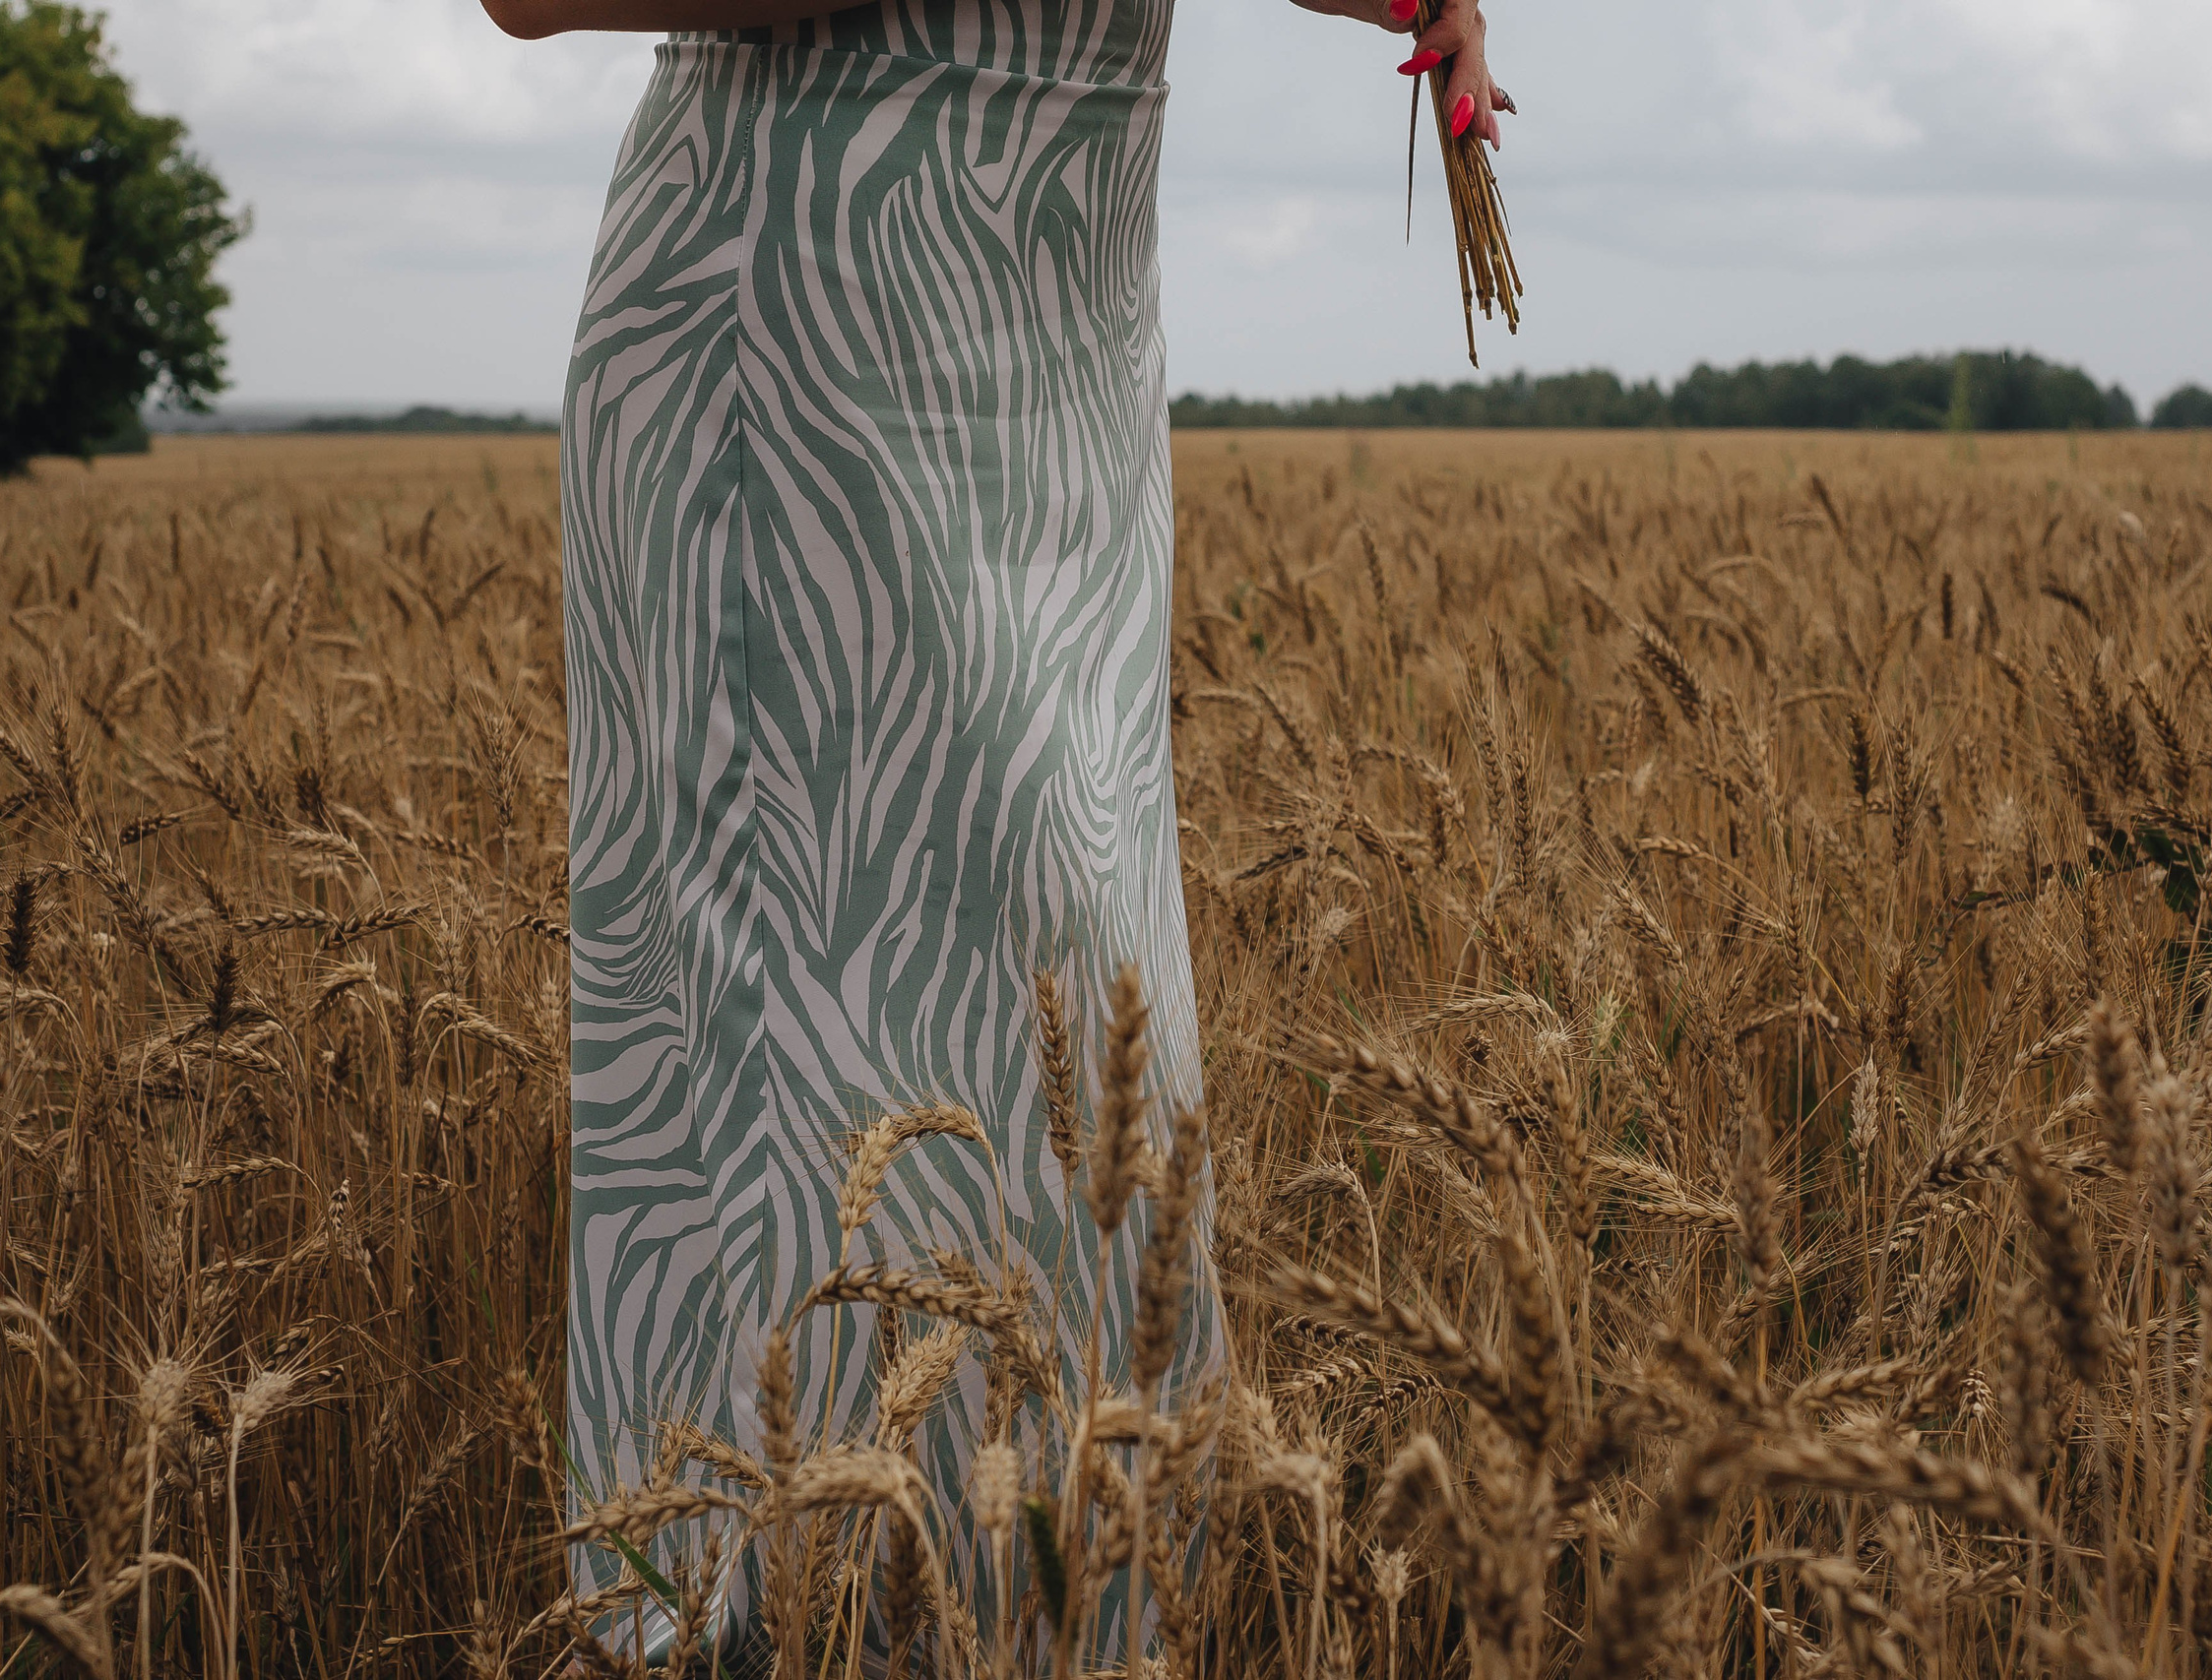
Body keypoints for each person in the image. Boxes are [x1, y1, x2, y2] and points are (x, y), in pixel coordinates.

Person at [478, 0, 1501, 1668]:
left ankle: (1053, 1615)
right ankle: (796, 1617)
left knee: (1087, 1032)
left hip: (1056, 317)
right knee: (831, 1064)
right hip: (802, 336)